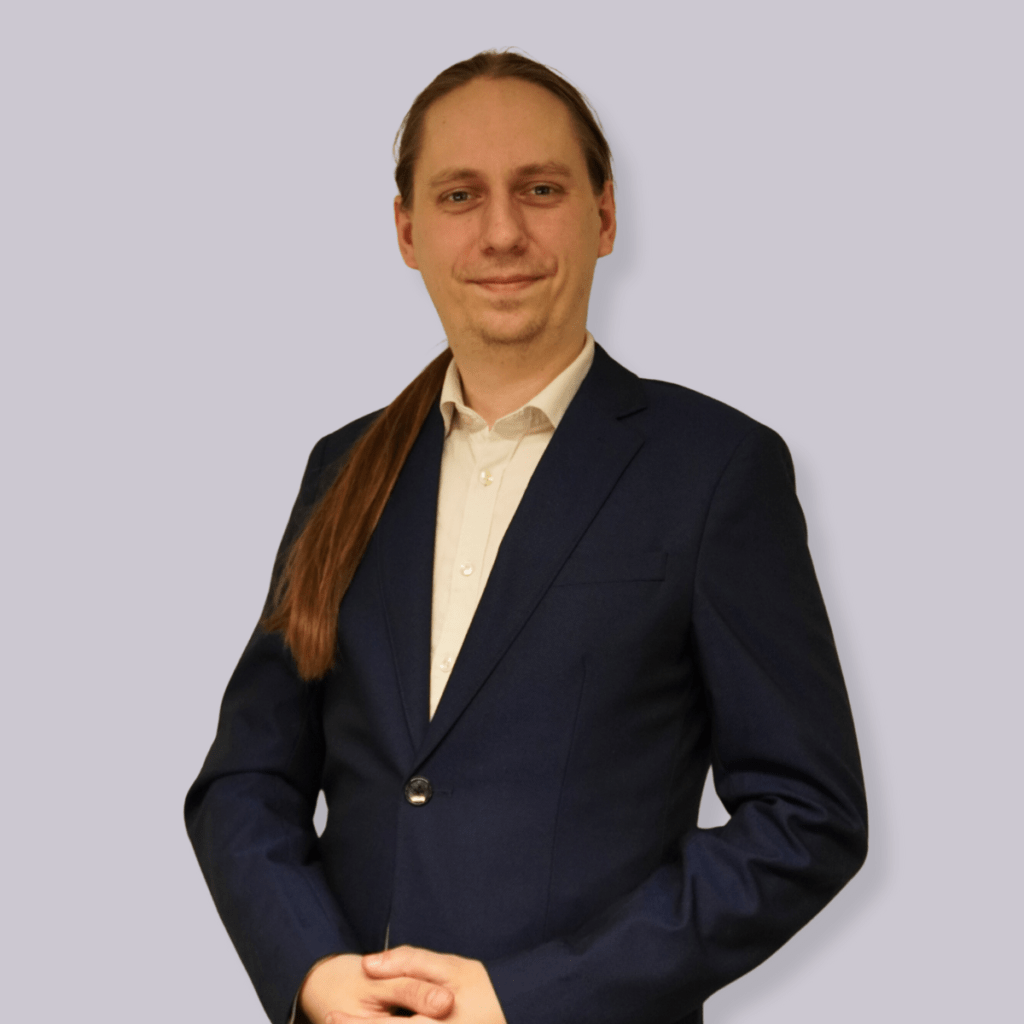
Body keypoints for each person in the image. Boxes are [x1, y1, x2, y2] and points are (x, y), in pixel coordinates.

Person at [185, 50, 868, 1024]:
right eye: (460, 195)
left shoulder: (716, 469)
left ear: (604, 215)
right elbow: (246, 779)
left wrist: (530, 994)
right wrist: (314, 972)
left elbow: (808, 818)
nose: (501, 231)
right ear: (407, 230)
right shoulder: (343, 468)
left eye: (539, 189)